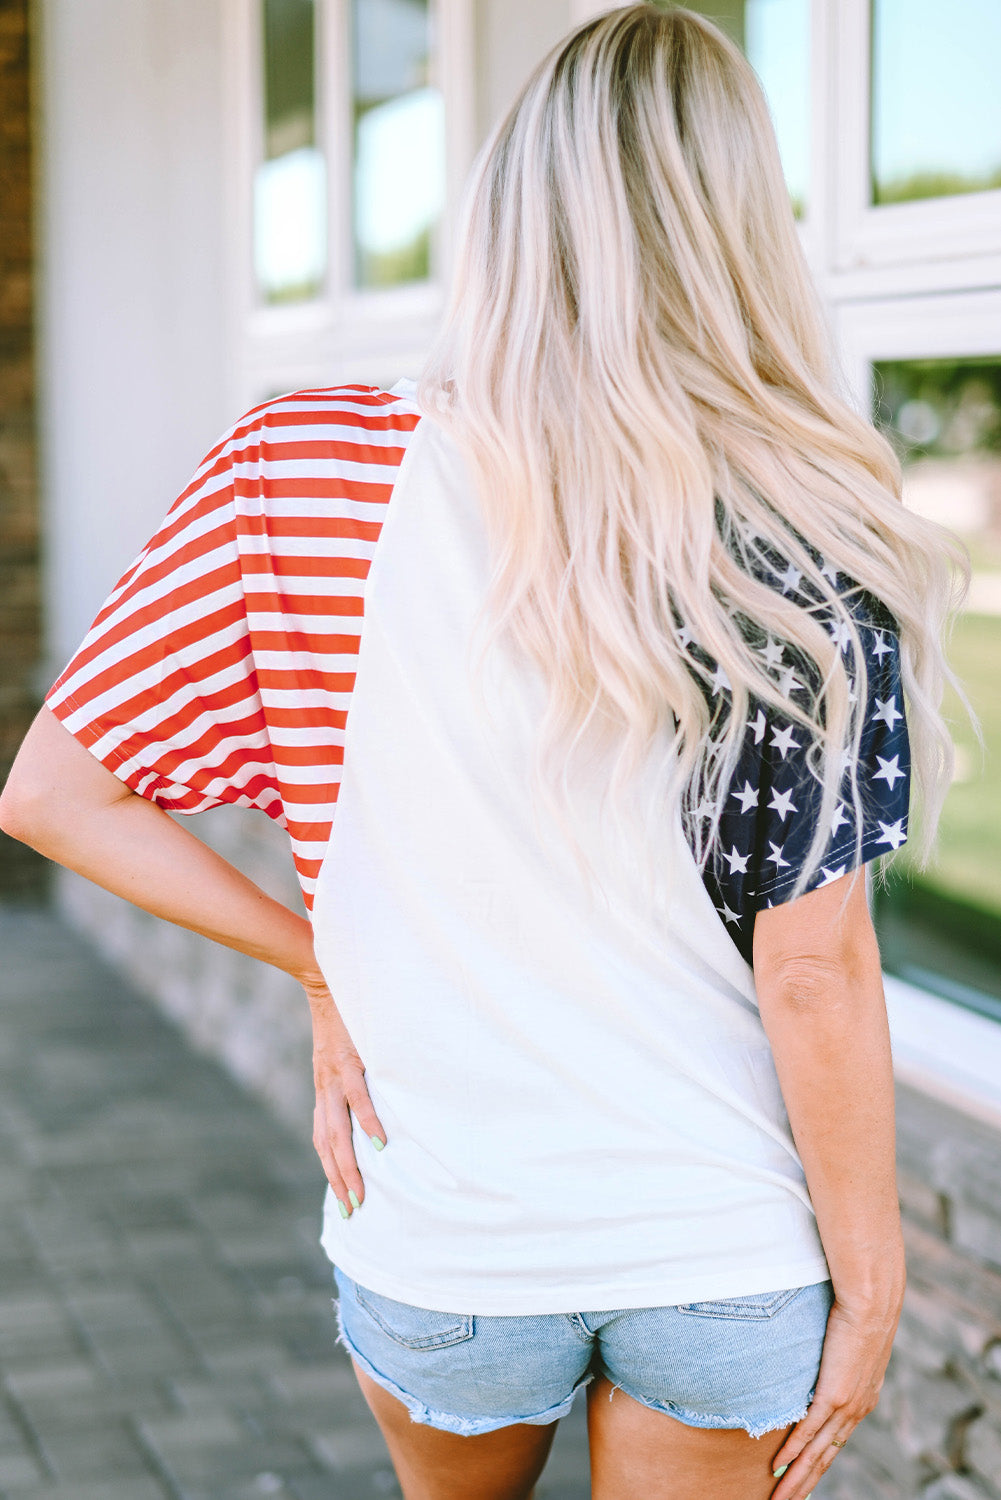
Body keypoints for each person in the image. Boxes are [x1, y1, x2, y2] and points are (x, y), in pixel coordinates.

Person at [0, 6, 969, 1499]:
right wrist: (872, 1265)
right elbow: (814, 966)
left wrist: (323, 954)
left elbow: (55, 794)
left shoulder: (304, 465)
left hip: (450, 1239)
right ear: (738, 227)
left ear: (512, 209)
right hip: (713, 1243)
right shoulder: (804, 526)